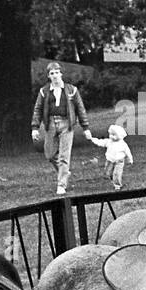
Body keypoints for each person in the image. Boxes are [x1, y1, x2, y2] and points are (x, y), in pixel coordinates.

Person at [30, 61, 93, 195]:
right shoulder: (44, 91)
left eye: (57, 73)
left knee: (65, 155)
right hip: (51, 123)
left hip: (66, 123)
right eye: (52, 73)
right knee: (49, 154)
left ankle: (61, 185)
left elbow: (80, 109)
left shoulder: (71, 90)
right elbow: (38, 109)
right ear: (49, 76)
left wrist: (85, 127)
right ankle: (64, 172)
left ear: (61, 74)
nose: (55, 76)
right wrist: (35, 127)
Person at [90, 124, 133, 190]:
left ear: (120, 135)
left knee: (117, 173)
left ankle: (117, 185)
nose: (112, 136)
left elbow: (128, 152)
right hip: (110, 160)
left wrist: (130, 159)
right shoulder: (109, 141)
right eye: (111, 134)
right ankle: (112, 178)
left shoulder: (123, 144)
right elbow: (101, 142)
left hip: (119, 161)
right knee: (108, 172)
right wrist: (93, 140)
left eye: (114, 135)